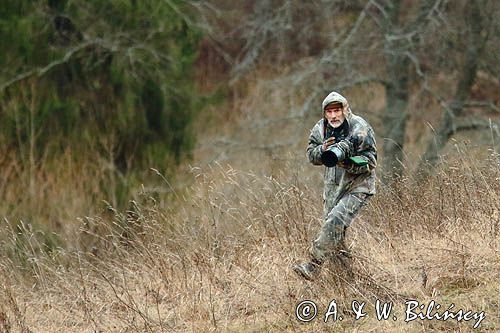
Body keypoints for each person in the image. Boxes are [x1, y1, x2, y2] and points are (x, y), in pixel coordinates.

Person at [293, 91, 377, 280]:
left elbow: (371, 162)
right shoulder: (320, 129)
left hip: (358, 186)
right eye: (329, 112)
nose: (333, 116)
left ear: (345, 110)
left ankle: (313, 264)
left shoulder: (359, 128)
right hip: (333, 188)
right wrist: (323, 150)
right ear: (324, 113)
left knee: (335, 221)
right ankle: (348, 281)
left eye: (337, 110)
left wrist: (347, 161)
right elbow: (311, 155)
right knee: (336, 236)